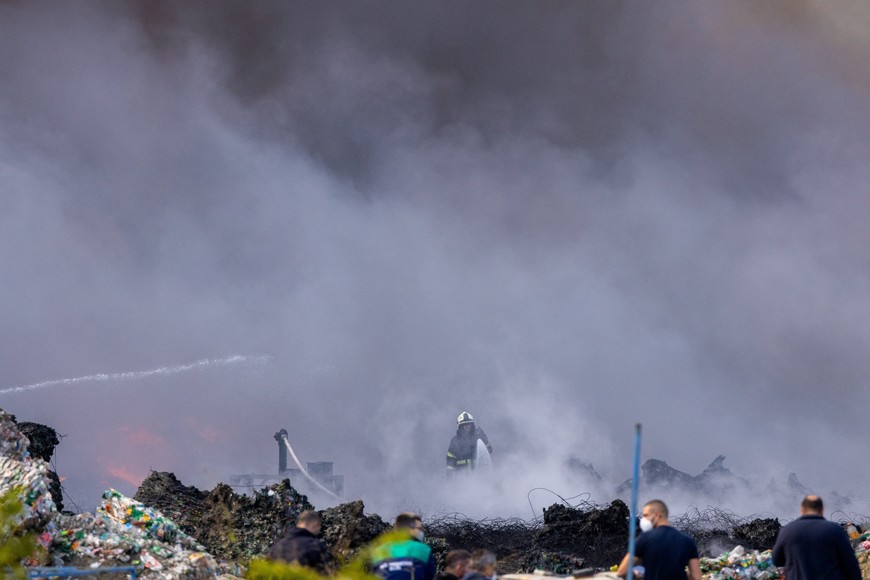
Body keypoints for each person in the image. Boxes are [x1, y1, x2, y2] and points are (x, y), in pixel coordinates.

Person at [772, 495, 861, 580]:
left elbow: (777, 560)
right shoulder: (835, 530)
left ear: (802, 510)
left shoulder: (787, 531)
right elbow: (850, 564)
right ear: (822, 510)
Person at [617, 499, 701, 580]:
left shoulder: (644, 538)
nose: (643, 519)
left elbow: (622, 571)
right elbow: (696, 577)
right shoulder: (687, 540)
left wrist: (636, 575)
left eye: (646, 515)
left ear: (656, 515)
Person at [372, 512, 437, 580]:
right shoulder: (423, 550)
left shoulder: (378, 551)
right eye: (419, 528)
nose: (422, 531)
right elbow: (429, 576)